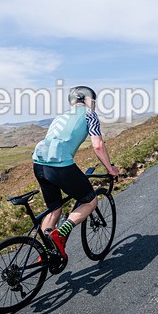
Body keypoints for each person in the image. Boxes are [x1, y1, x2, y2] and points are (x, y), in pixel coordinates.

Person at [32, 86, 120, 260]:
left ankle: (47, 253)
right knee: (90, 201)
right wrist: (110, 169)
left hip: (39, 164)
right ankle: (61, 234)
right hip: (60, 166)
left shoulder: (61, 115)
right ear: (89, 101)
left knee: (54, 209)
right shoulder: (89, 114)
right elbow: (98, 145)